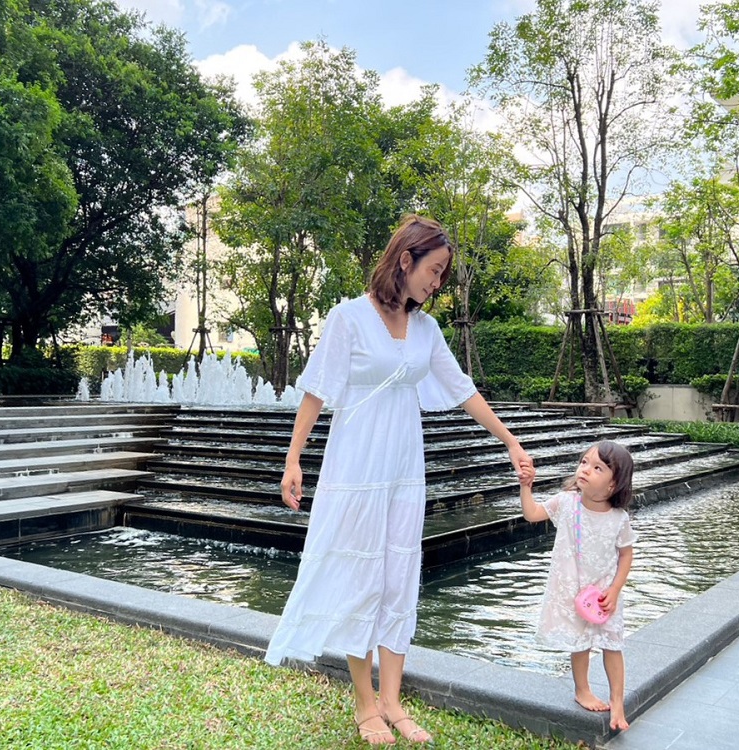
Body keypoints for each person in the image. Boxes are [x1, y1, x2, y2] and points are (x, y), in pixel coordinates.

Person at [265, 214, 534, 745]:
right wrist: (293, 459)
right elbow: (317, 391)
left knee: (398, 577)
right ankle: (365, 704)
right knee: (361, 576)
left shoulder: (426, 329)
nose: (438, 282)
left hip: (405, 469)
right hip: (355, 467)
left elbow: (462, 389)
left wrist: (510, 440)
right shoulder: (348, 317)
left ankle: (392, 700)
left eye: (443, 274)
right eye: (434, 270)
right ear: (406, 259)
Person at [519, 440, 636, 732]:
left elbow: (626, 554)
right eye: (584, 462)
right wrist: (526, 487)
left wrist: (615, 589)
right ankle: (582, 690)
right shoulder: (567, 503)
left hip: (604, 593)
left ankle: (617, 700)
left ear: (613, 484)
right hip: (574, 590)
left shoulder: (618, 518)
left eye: (598, 468)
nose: (585, 469)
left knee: (612, 644)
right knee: (579, 642)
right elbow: (532, 514)